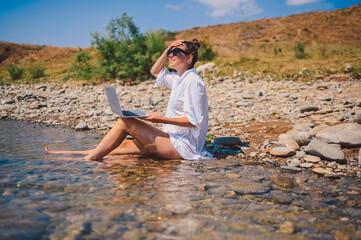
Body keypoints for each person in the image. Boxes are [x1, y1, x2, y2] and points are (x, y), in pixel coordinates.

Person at [45, 39, 212, 160]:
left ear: (189, 58)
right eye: (170, 52)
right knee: (121, 146)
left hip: (183, 147)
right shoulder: (178, 79)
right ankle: (66, 155)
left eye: (176, 52)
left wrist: (159, 118)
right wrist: (168, 48)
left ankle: (87, 162)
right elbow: (155, 71)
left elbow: (194, 120)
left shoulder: (193, 82)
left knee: (125, 122)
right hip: (170, 138)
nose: (171, 55)